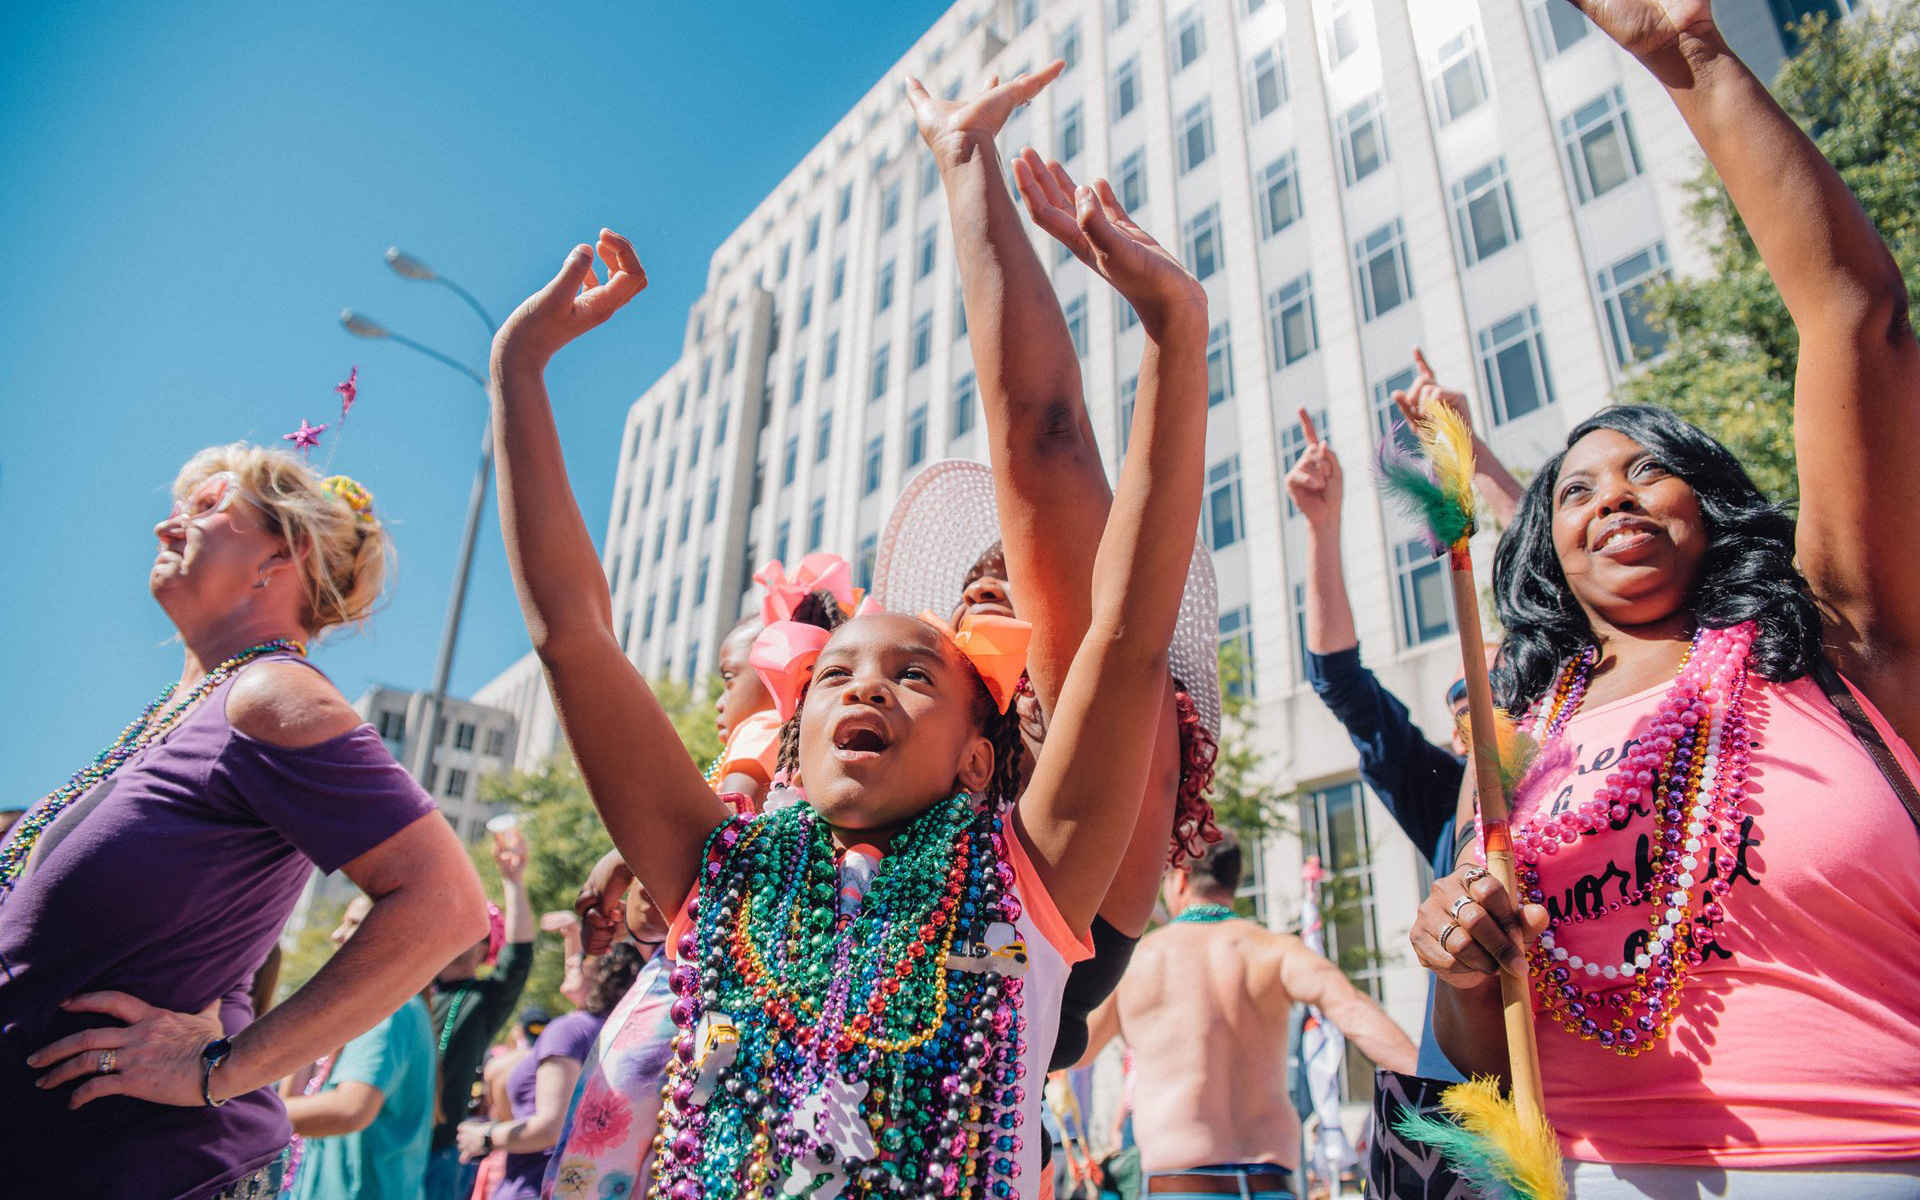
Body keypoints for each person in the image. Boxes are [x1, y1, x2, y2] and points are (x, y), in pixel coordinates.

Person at [488, 195, 1207, 1197]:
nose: (866, 682)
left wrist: (1175, 330)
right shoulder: (720, 873)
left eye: (914, 675)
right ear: (795, 738)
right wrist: (519, 372)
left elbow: (1125, 642)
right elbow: (572, 638)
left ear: (976, 755)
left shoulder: (1025, 882)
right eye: (833, 674)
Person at [1411, 3, 1920, 1195]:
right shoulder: (1520, 737)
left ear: (1709, 501)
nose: (1615, 498)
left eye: (1650, 469)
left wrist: (1687, 53)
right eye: (1577, 489)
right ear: (1550, 548)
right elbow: (1487, 1058)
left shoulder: (1832, 635)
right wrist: (1461, 962)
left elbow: (1855, 318)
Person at [2, 444, 487, 1199]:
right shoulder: (180, 712)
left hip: (149, 1172)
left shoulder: (269, 695)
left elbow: (446, 905)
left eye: (206, 507)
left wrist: (222, 1069)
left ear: (280, 555)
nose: (166, 526)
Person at [901, 62, 1220, 1075]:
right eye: (967, 603)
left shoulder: (1079, 811)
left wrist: (967, 166)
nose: (983, 607)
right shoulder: (876, 819)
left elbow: (1044, 442)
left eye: (1021, 586)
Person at [1283, 362, 1523, 1081]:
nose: (1486, 704)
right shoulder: (1447, 804)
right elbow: (1342, 683)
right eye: (1466, 699)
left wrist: (1471, 453)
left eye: (1508, 685)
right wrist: (1322, 527)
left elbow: (1559, 592)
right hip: (1465, 1107)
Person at [1080, 833, 1418, 1198]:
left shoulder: (1137, 962)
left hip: (1178, 1184)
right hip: (1270, 1185)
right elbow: (1355, 1012)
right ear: (1233, 881)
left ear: (1180, 879)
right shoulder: (1276, 951)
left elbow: (1076, 1050)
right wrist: (1446, 1093)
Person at [458, 943, 644, 1200]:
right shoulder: (615, 1031)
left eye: (582, 957)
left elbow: (550, 1128)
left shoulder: (568, 1030)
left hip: (535, 1184)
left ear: (602, 971)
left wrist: (485, 1136)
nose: (571, 961)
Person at [284, 895, 437, 1200]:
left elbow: (351, 1108)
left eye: (354, 924)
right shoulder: (380, 1006)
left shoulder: (391, 1010)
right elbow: (296, 1094)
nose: (336, 934)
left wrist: (248, 1114)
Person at [425, 828, 536, 1200]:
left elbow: (519, 958)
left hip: (438, 1153)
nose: (461, 935)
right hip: (382, 1141)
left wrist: (513, 881)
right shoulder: (410, 989)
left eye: (473, 930)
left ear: (486, 946)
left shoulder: (479, 999)